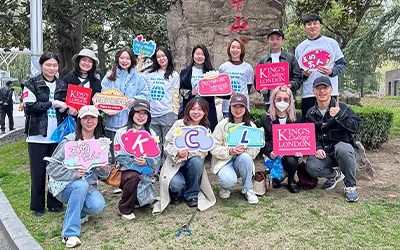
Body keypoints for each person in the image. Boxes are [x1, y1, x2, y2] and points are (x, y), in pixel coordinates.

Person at [46, 105, 110, 248]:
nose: (89, 121)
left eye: (92, 117)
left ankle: (79, 213)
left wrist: (104, 168)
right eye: (85, 118)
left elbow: (104, 175)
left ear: (97, 120)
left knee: (97, 205)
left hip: (88, 187)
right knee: (81, 184)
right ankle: (69, 233)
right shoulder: (70, 141)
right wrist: (73, 174)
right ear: (79, 120)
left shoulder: (101, 143)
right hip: (64, 186)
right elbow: (52, 167)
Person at [21, 52, 69, 216]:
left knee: (56, 171)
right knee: (38, 171)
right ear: (41, 65)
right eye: (48, 64)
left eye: (54, 65)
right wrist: (51, 103)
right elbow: (30, 107)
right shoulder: (31, 83)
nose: (51, 68)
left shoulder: (62, 85)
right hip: (37, 135)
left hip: (57, 136)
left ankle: (55, 203)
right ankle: (38, 206)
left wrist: (68, 108)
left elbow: (68, 105)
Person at [153, 97, 216, 213]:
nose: (196, 112)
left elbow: (204, 152)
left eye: (200, 109)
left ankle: (192, 194)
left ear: (205, 112)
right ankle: (176, 193)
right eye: (193, 109)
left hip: (192, 163)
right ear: (188, 110)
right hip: (175, 163)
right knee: (176, 184)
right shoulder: (179, 124)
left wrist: (187, 154)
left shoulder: (205, 129)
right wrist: (177, 153)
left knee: (197, 162)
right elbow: (167, 143)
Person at [305, 76, 360, 202]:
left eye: (325, 88)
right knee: (311, 166)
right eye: (318, 88)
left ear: (331, 90)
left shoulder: (343, 107)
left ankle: (350, 186)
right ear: (313, 91)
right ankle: (336, 175)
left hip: (344, 152)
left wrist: (339, 115)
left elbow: (356, 127)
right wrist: (317, 148)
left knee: (343, 148)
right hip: (326, 154)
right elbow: (310, 135)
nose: (322, 91)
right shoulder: (310, 114)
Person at [113, 100, 160, 220]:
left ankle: (140, 200)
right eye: (138, 112)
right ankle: (124, 208)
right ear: (132, 113)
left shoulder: (152, 133)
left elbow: (156, 156)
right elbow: (118, 155)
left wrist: (146, 161)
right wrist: (134, 162)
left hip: (146, 170)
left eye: (144, 113)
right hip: (126, 171)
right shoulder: (121, 132)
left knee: (144, 179)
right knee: (134, 176)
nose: (141, 116)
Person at [101, 47, 149, 164]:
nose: (124, 61)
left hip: (130, 123)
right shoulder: (108, 77)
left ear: (132, 60)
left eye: (127, 58)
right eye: (122, 58)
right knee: (113, 154)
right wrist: (109, 106)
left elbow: (146, 95)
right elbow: (103, 97)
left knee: (130, 153)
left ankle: (130, 177)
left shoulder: (139, 78)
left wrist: (135, 100)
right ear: (117, 59)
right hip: (112, 122)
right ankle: (113, 178)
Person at [210, 93, 260, 204]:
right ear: (230, 107)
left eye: (241, 106)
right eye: (235, 106)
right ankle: (225, 187)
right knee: (228, 180)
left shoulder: (251, 126)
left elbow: (256, 148)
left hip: (242, 160)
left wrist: (244, 151)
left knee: (246, 157)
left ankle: (248, 189)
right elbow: (213, 147)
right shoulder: (222, 125)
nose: (238, 110)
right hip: (224, 161)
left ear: (246, 108)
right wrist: (229, 151)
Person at [295, 15, 346, 115]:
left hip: (329, 92)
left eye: (315, 23)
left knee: (331, 121)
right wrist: (304, 74)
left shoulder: (331, 43)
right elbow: (297, 72)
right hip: (308, 93)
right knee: (309, 123)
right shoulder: (300, 48)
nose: (312, 26)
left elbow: (341, 64)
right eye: (309, 24)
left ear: (320, 25)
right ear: (305, 27)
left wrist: (332, 71)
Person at [141, 47, 179, 175]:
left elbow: (175, 96)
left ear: (168, 57)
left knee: (168, 144)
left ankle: (167, 171)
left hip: (168, 113)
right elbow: (137, 76)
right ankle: (154, 172)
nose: (161, 59)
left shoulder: (174, 75)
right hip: (152, 115)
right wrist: (139, 61)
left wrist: (175, 112)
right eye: (158, 56)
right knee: (154, 145)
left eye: (163, 56)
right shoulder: (149, 74)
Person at [260, 86, 304, 193]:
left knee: (291, 160)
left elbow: (302, 138)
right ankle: (278, 176)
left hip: (291, 155)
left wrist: (301, 149)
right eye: (279, 99)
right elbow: (263, 141)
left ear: (290, 101)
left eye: (285, 99)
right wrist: (270, 152)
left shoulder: (298, 118)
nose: (282, 102)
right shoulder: (265, 119)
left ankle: (291, 180)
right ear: (273, 100)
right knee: (278, 177)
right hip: (274, 156)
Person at [257, 28, 302, 111]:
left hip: (287, 100)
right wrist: (262, 89)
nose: (275, 42)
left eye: (278, 39)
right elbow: (257, 81)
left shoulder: (290, 58)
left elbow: (298, 77)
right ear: (268, 41)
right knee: (271, 123)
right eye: (272, 39)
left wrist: (290, 84)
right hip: (270, 102)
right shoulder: (263, 60)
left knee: (289, 122)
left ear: (283, 41)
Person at [179, 44, 218, 131]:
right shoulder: (185, 71)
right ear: (193, 55)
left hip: (207, 108)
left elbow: (218, 90)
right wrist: (190, 92)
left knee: (207, 132)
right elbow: (180, 90)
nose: (199, 56)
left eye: (202, 54)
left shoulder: (212, 72)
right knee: (189, 132)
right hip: (191, 108)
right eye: (197, 54)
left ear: (206, 56)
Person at [219, 38, 254, 118]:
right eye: (233, 47)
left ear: (242, 50)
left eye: (238, 48)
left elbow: (248, 87)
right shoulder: (223, 67)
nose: (235, 50)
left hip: (243, 106)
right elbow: (220, 88)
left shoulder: (248, 68)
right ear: (229, 49)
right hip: (227, 107)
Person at [62, 48, 102, 115]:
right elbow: (62, 98)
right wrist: (69, 109)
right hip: (72, 120)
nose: (86, 63)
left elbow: (99, 102)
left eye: (90, 61)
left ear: (93, 64)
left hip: (90, 120)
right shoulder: (68, 79)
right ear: (78, 61)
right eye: (84, 60)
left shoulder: (96, 82)